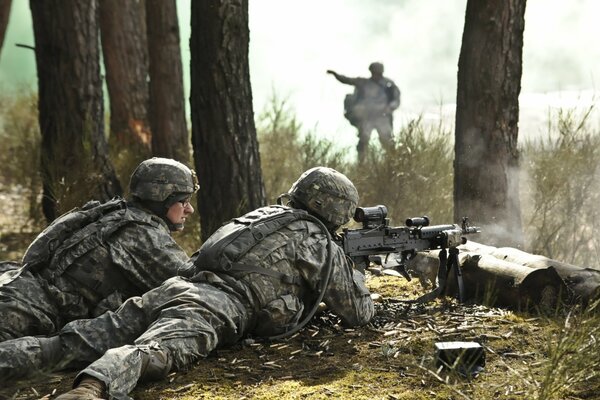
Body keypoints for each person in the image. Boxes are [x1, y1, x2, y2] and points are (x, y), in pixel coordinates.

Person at [0, 166, 375, 400]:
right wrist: (354, 271)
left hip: (175, 289)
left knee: (70, 342)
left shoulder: (261, 215)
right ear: (336, 210)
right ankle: (92, 387)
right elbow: (359, 312)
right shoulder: (319, 241)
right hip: (213, 307)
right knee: (155, 350)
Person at [0, 157, 199, 342]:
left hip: (16, 287)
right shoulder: (142, 235)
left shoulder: (116, 214)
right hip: (26, 311)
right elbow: (198, 288)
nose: (189, 210)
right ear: (163, 198)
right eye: (184, 201)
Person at [327, 62, 401, 162]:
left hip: (382, 117)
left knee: (387, 142)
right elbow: (346, 80)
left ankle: (393, 164)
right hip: (367, 117)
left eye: (378, 73)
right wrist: (335, 74)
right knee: (363, 141)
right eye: (374, 72)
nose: (376, 75)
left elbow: (396, 99)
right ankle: (361, 165)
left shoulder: (389, 84)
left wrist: (389, 108)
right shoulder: (364, 82)